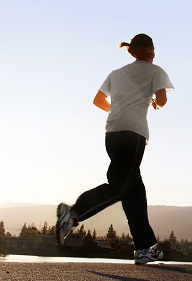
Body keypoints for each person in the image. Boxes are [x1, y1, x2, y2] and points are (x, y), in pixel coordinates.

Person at [56, 33, 174, 264]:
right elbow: (162, 100)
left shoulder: (116, 73)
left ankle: (143, 248)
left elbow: (98, 100)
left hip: (112, 133)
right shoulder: (156, 71)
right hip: (133, 133)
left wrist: (118, 109)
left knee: (134, 191)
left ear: (132, 51)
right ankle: (74, 213)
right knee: (121, 187)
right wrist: (152, 102)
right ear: (151, 51)